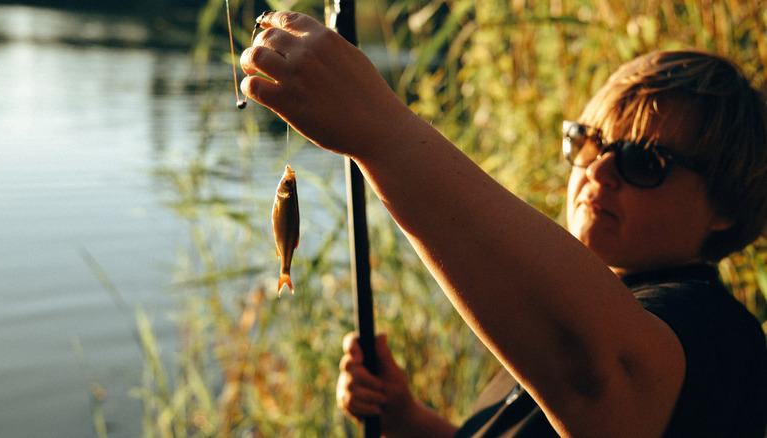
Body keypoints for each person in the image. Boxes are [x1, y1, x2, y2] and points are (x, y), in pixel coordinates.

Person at [240, 11, 767, 437]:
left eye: (644, 162)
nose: (599, 170)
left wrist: (381, 132)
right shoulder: (579, 313)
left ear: (725, 207)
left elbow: (601, 383)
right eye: (589, 142)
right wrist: (409, 419)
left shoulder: (714, 337)